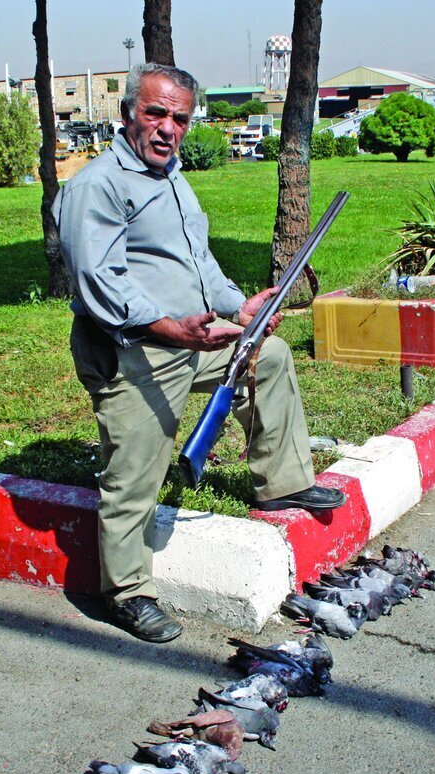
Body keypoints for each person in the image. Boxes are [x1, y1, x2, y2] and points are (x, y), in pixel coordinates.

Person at [53, 63, 345, 643]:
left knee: (273, 356)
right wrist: (172, 329)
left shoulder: (173, 180)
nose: (167, 128)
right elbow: (99, 283)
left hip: (191, 338)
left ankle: (281, 480)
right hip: (132, 349)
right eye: (155, 113)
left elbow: (198, 264)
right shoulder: (99, 185)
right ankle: (127, 593)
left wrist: (241, 309)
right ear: (127, 113)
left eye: (179, 117)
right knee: (136, 474)